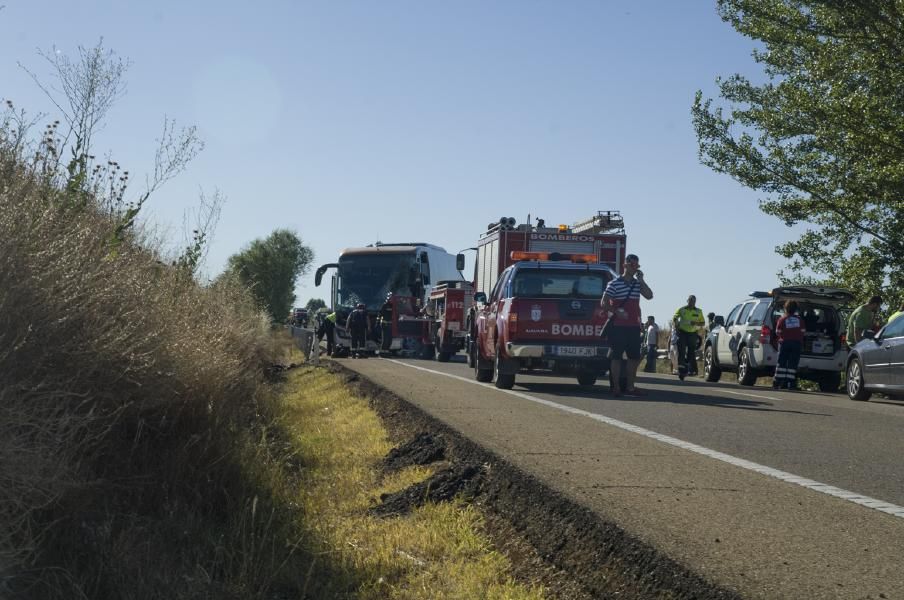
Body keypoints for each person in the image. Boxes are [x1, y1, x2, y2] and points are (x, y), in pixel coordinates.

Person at [600, 253, 653, 396]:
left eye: (637, 266)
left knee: (634, 358)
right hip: (618, 326)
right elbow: (604, 303)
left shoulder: (637, 284)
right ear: (625, 265)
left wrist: (641, 280)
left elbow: (649, 295)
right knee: (616, 357)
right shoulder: (614, 284)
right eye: (632, 265)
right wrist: (617, 311)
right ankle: (615, 387)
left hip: (633, 327)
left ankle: (630, 387)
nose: (635, 268)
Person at [772, 299, 806, 390]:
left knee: (781, 362)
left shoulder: (782, 319)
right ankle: (791, 383)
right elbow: (803, 332)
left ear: (785, 308)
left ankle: (778, 382)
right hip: (797, 344)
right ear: (796, 309)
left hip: (784, 343)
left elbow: (778, 332)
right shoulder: (799, 320)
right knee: (793, 363)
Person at [672, 295, 706, 380]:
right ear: (687, 301)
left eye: (693, 301)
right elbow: (675, 317)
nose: (691, 302)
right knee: (681, 352)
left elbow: (703, 323)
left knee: (691, 353)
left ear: (695, 302)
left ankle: (686, 366)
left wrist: (697, 324)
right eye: (690, 300)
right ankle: (681, 371)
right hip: (682, 333)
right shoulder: (682, 309)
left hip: (693, 334)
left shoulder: (699, 311)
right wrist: (676, 323)